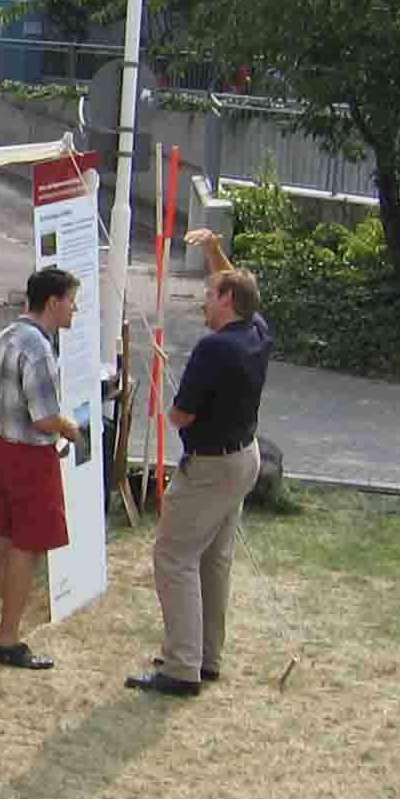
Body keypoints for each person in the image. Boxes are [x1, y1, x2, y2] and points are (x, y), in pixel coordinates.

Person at [129, 229, 273, 699]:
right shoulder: (256, 330)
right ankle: (206, 657)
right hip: (244, 459)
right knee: (214, 560)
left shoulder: (213, 349)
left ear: (227, 301)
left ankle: (182, 667)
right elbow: (239, 287)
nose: (203, 304)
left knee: (173, 557)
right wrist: (214, 251)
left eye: (210, 296)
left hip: (210, 468)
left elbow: (181, 415)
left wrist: (168, 402)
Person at [0, 266, 84, 670]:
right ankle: (8, 639)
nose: (74, 309)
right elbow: (45, 416)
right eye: (71, 301)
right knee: (28, 546)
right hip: (31, 457)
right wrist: (72, 429)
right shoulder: (37, 348)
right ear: (52, 302)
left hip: (2, 447)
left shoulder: (4, 337)